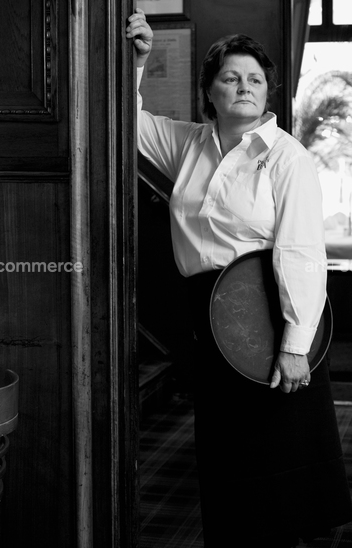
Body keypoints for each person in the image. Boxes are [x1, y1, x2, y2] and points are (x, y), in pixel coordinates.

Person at [127, 9, 352, 548]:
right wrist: (138, 62)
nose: (244, 87)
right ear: (210, 90)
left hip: (269, 311)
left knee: (280, 450)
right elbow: (126, 124)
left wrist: (295, 346)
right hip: (208, 314)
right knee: (226, 450)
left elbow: (301, 252)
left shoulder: (287, 156)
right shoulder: (189, 144)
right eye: (230, 77)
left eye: (254, 78)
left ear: (268, 89)